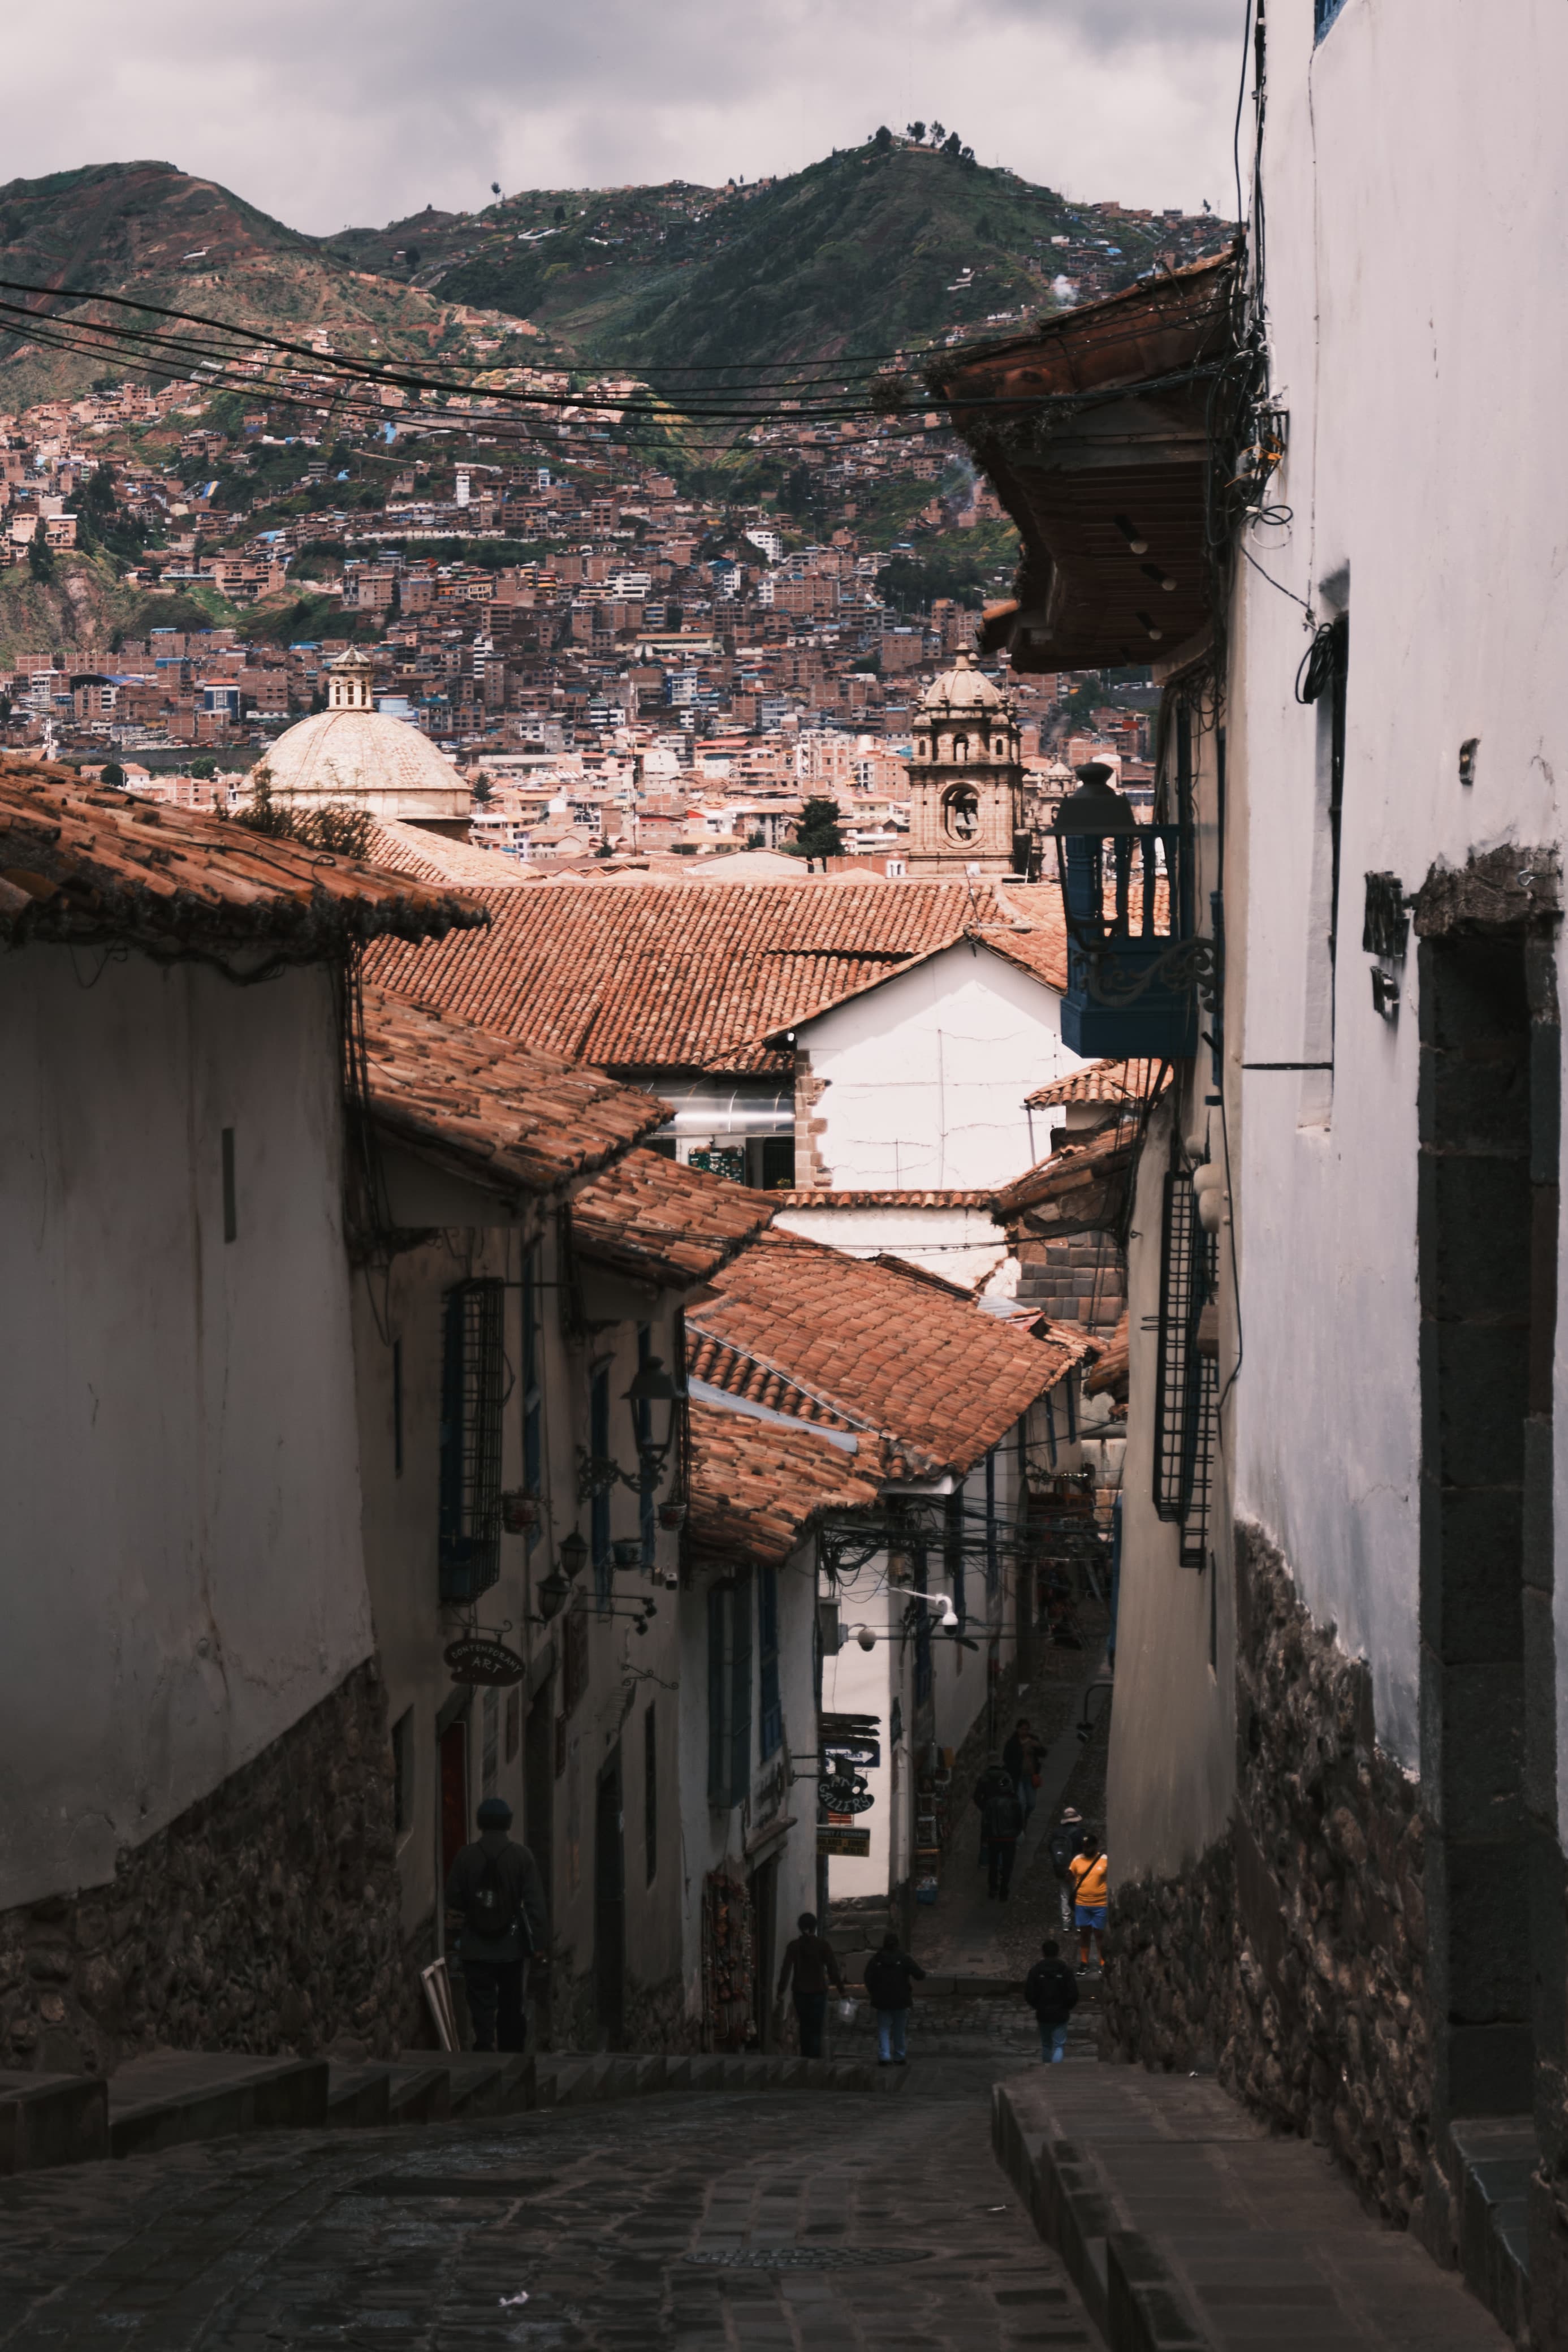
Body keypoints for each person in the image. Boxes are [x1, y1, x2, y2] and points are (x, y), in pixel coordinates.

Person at [443, 1796, 548, 2053]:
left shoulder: (465, 1856)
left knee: (481, 2002)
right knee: (511, 2001)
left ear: (480, 1823)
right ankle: (510, 2052)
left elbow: (453, 1898)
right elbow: (534, 1904)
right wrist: (538, 1943)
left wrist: (475, 1907)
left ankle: (484, 2045)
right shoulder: (522, 1856)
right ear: (508, 1823)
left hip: (475, 1945)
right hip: (511, 1946)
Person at [776, 1910, 845, 2057]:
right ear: (815, 1927)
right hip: (818, 1992)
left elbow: (786, 1970)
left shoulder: (794, 1946)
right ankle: (815, 2059)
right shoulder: (822, 1945)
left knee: (804, 2027)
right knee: (816, 2029)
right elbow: (833, 1969)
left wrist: (781, 1991)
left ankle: (806, 2058)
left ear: (800, 1927)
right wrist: (842, 1990)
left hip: (800, 1992)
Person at [863, 1931, 926, 2066]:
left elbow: (868, 1978)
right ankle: (899, 2055)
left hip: (882, 2000)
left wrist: (874, 1993)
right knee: (899, 2029)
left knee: (884, 2028)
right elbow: (919, 1975)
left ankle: (885, 2055)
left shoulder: (876, 1960)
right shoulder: (904, 1958)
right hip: (901, 1999)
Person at [1025, 1937, 1079, 2063]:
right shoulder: (1065, 1970)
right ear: (1058, 1952)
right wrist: (1066, 2007)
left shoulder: (1036, 1971)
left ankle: (1046, 2068)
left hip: (1043, 2013)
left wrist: (1038, 2006)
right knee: (1059, 2045)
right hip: (1061, 2013)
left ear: (1043, 1953)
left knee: (1046, 2044)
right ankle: (1055, 2070)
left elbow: (1029, 1994)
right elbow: (1073, 1994)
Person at [1067, 1830, 1109, 1971]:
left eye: (1089, 1847)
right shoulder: (1077, 1860)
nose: (1086, 1850)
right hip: (1082, 1904)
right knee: (1085, 1934)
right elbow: (1071, 1875)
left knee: (1099, 1935)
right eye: (1084, 1847)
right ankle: (1084, 1962)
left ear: (1095, 1846)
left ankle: (1103, 1962)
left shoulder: (1104, 1860)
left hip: (1101, 1904)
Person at [982, 1772, 1025, 1900]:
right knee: (1008, 1865)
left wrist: (987, 1835)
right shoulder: (1015, 1803)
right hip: (1009, 1838)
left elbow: (985, 1822)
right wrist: (1016, 1833)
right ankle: (1004, 1889)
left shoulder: (991, 1803)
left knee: (993, 1864)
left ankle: (993, 1888)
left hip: (994, 1838)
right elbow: (1019, 1822)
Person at [973, 1750, 1014, 1876]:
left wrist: (984, 1808)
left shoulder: (984, 1778)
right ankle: (999, 1863)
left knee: (986, 1836)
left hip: (988, 1811)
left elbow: (976, 1797)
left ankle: (984, 1861)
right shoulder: (1005, 1777)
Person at [1047, 1805, 1084, 1933]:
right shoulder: (1079, 1833)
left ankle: (1066, 1923)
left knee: (1064, 1895)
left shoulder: (1056, 1833)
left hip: (1061, 1868)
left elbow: (1050, 1849)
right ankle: (1079, 1923)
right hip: (1076, 1869)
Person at [1003, 1717, 1043, 1823]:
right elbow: (1006, 1759)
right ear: (1018, 1729)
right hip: (1018, 1777)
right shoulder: (1012, 1743)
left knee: (1031, 1804)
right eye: (1022, 1729)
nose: (1025, 1732)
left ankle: (1024, 1819)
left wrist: (1038, 1746)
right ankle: (1020, 1824)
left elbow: (1043, 1753)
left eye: (1026, 1729)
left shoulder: (1033, 1740)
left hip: (1030, 1776)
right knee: (1021, 1803)